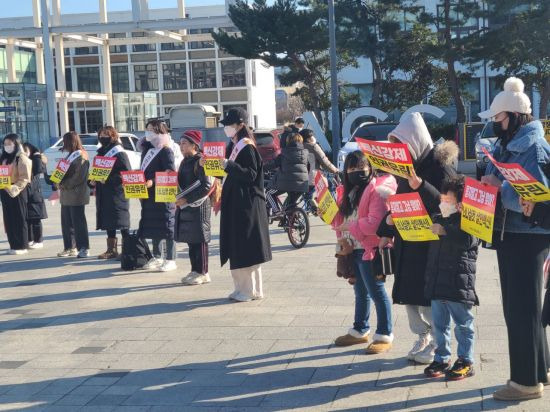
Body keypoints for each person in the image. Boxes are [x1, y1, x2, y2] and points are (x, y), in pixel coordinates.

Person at [478, 77, 550, 401]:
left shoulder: (532, 147)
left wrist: (498, 186)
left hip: (527, 236)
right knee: (525, 307)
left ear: (514, 117)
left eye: (498, 118)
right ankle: (540, 370)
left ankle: (524, 382)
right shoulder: (509, 144)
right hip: (513, 234)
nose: (495, 124)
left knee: (521, 309)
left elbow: (536, 198)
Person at [377, 112, 458, 364]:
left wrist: (421, 185)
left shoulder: (441, 167)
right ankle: (421, 336)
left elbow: (448, 207)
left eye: (401, 145)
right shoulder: (403, 169)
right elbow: (401, 204)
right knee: (409, 296)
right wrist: (386, 229)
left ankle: (437, 341)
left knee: (426, 299)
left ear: (415, 142)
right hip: (407, 243)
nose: (398, 151)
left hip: (431, 246)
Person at [332, 151, 397, 353]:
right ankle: (360, 329)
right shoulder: (349, 191)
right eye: (352, 169)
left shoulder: (376, 191)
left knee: (376, 291)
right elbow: (341, 220)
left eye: (361, 168)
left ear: (370, 168)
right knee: (360, 292)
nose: (357, 172)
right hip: (354, 248)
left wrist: (349, 227)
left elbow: (374, 224)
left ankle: (385, 334)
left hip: (370, 249)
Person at [423, 175, 480, 380]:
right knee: (439, 324)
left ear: (461, 202)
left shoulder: (470, 219)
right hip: (438, 281)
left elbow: (469, 240)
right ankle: (442, 357)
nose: (444, 202)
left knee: (463, 324)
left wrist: (446, 230)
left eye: (449, 199)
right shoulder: (439, 217)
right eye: (443, 199)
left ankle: (466, 359)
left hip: (458, 283)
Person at [215, 107, 272, 302]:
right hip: (239, 204)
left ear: (240, 125)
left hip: (247, 205)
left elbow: (251, 174)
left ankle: (248, 291)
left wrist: (228, 165)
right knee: (241, 247)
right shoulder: (236, 145)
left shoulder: (246, 146)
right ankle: (246, 289)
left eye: (230, 125)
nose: (227, 129)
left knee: (246, 248)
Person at [139, 119, 177, 272]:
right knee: (154, 224)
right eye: (147, 129)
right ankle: (157, 256)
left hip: (163, 191)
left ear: (159, 131)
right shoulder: (147, 150)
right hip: (148, 194)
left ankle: (170, 259)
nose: (148, 132)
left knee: (167, 225)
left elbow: (170, 171)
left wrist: (153, 182)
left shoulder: (166, 150)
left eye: (151, 130)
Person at [175, 130, 212, 286]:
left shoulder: (201, 161)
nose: (181, 146)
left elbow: (206, 185)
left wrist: (187, 199)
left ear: (194, 145)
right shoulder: (184, 161)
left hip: (199, 206)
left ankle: (203, 272)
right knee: (191, 240)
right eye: (180, 143)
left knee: (200, 240)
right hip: (186, 207)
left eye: (184, 143)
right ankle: (194, 270)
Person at [92, 126, 131, 259]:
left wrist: (108, 180)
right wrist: (92, 180)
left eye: (106, 134)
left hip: (117, 193)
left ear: (113, 135)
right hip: (104, 193)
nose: (103, 137)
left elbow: (126, 173)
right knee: (109, 221)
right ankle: (111, 250)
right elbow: (96, 172)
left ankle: (128, 249)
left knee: (121, 221)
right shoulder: (101, 152)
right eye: (101, 134)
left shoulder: (119, 152)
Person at [57, 131, 90, 258]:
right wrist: (56, 180)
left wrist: (63, 184)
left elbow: (79, 177)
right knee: (66, 222)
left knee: (78, 222)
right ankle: (69, 247)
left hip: (77, 193)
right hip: (66, 194)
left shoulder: (81, 155)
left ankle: (84, 247)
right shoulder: (69, 155)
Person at [0, 134, 32, 254]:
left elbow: (25, 177)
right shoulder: (3, 158)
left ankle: (22, 246)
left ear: (16, 144)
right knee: (9, 219)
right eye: (5, 144)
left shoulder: (21, 158)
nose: (7, 146)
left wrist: (15, 188)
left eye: (10, 144)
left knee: (19, 218)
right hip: (4, 189)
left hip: (17, 191)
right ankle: (13, 244)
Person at [265, 132, 309, 215]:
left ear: (288, 141)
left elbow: (273, 164)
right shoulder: (306, 153)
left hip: (286, 183)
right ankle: (291, 219)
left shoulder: (285, 152)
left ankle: (276, 211)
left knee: (269, 193)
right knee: (290, 205)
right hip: (302, 184)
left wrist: (261, 168)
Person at [300, 128, 339, 211]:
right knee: (331, 186)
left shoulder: (297, 147)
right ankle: (331, 208)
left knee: (308, 193)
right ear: (309, 138)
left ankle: (308, 208)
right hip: (314, 176)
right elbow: (324, 161)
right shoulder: (313, 146)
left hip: (300, 176)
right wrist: (335, 170)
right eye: (312, 136)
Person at [23, 142, 48, 249]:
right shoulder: (22, 160)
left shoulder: (36, 159)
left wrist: (37, 155)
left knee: (36, 219)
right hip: (25, 193)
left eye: (26, 150)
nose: (24, 153)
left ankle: (39, 240)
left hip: (35, 193)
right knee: (27, 218)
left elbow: (38, 169)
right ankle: (30, 239)